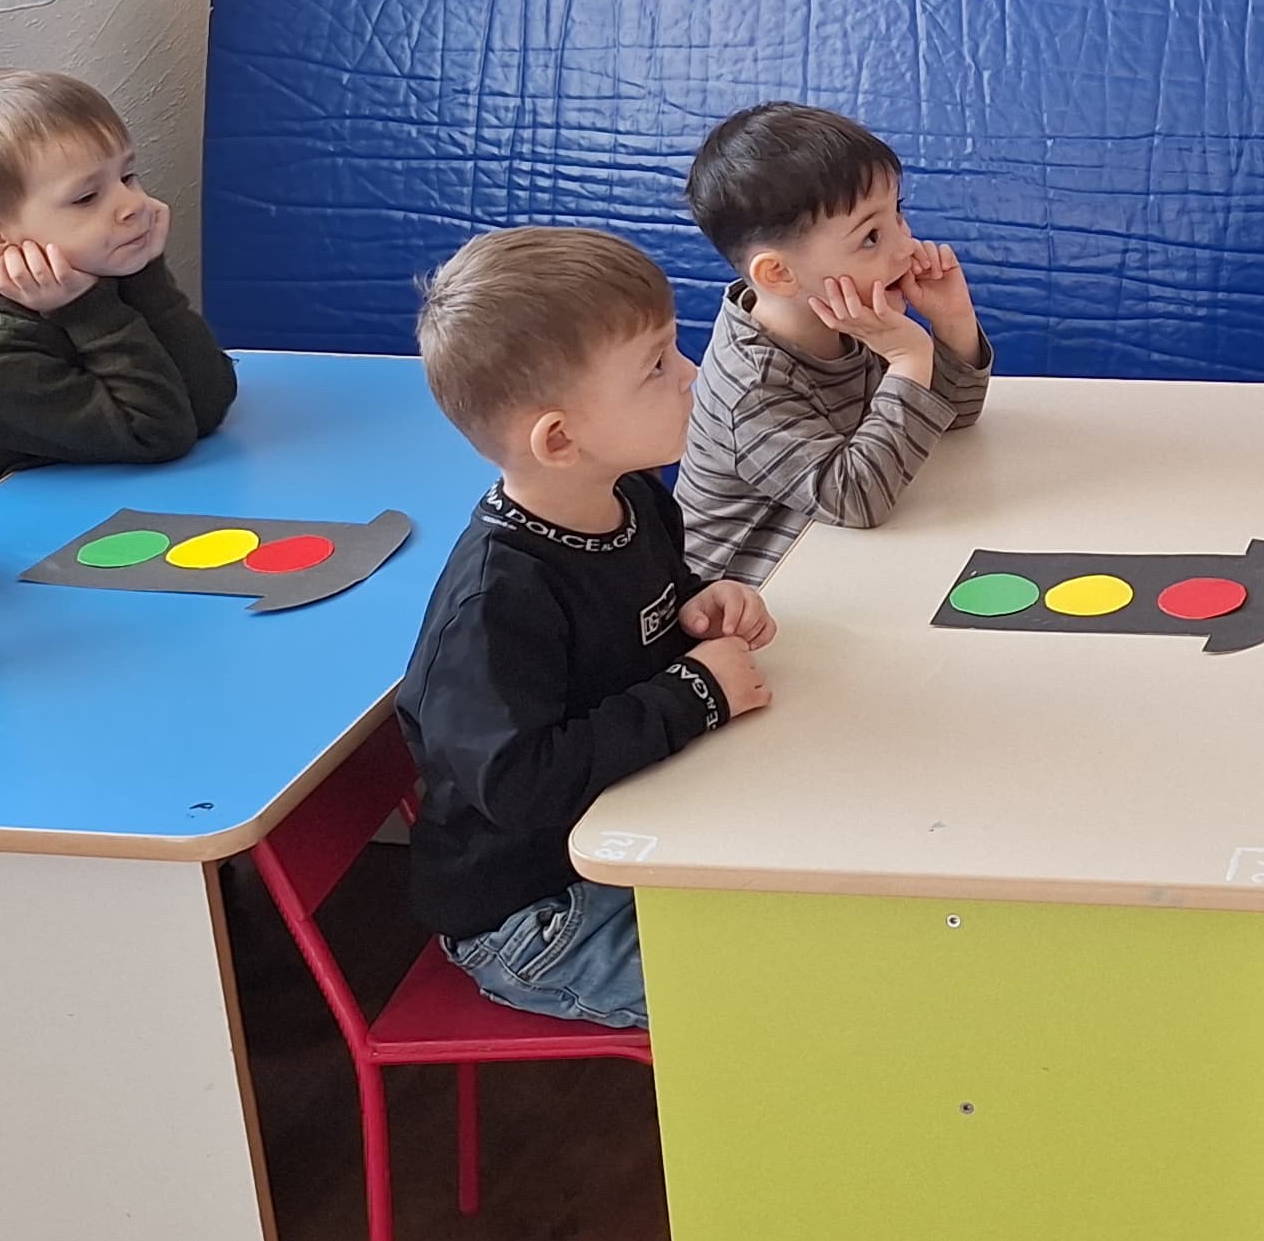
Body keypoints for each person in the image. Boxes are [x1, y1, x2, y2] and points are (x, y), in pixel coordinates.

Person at [397, 229, 773, 1029]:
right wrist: (696, 692)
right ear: (560, 438)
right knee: (774, 1001)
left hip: (636, 833)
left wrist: (699, 610)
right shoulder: (496, 602)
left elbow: (638, 624)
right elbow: (522, 783)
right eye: (657, 366)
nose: (691, 374)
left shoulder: (632, 498)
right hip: (536, 915)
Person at [676, 103, 992, 586]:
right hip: (753, 593)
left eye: (898, 214)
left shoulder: (850, 315)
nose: (906, 246)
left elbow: (950, 419)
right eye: (871, 237)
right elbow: (856, 499)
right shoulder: (751, 386)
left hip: (835, 554)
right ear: (779, 273)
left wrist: (952, 323)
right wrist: (909, 359)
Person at [0, 69, 237, 490]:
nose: (133, 204)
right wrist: (88, 312)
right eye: (86, 197)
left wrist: (146, 275)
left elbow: (209, 402)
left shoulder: (91, 273)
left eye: (127, 176)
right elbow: (159, 433)